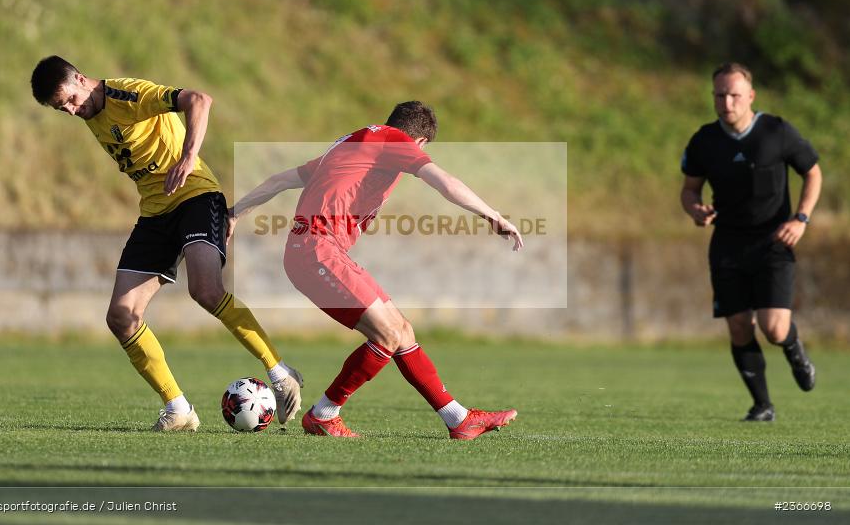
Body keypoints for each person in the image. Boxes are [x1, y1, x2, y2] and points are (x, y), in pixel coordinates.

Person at [29, 56, 303, 431]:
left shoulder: (129, 95)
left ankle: (279, 371)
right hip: (156, 213)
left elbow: (200, 100)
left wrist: (189, 157)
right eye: (63, 109)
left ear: (80, 78)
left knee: (205, 290)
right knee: (121, 317)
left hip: (195, 196)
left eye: (71, 100)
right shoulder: (91, 114)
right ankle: (179, 409)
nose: (72, 111)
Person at [228, 101, 522, 439]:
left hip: (316, 250)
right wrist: (493, 215)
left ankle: (459, 419)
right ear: (421, 142)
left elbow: (280, 180)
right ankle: (324, 414)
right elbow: (445, 182)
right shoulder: (395, 142)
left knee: (402, 332)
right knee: (388, 334)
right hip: (317, 251)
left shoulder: (351, 143)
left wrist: (236, 212)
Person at [680, 62, 822, 422]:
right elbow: (689, 189)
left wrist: (801, 218)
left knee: (774, 328)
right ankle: (763, 405)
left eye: (734, 95)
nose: (727, 103)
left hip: (774, 242)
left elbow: (813, 173)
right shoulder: (704, 141)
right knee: (740, 326)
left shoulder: (777, 131)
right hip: (727, 243)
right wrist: (695, 209)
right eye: (720, 95)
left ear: (750, 96)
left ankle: (794, 349)